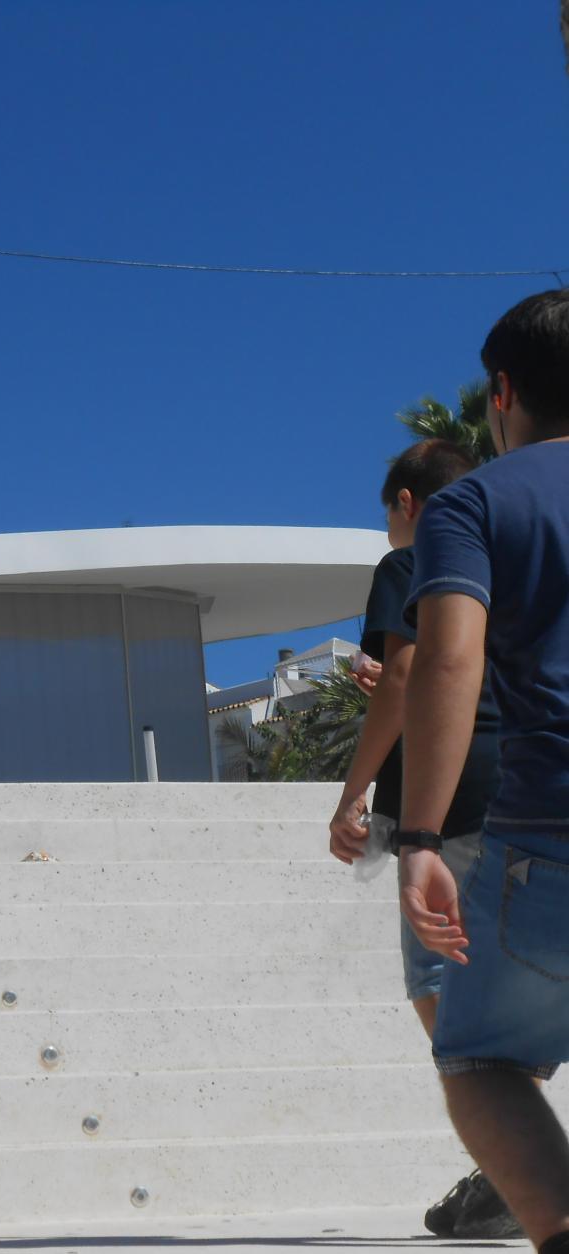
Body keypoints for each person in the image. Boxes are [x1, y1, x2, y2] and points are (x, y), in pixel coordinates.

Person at [399, 289, 569, 1254]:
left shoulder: (471, 503)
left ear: (502, 392)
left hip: (547, 828)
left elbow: (450, 661)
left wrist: (420, 836)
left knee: (481, 1060)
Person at [327, 439, 512, 1237]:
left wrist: (350, 792)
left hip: (450, 793)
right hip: (522, 778)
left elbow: (410, 679)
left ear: (408, 502)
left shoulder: (420, 553)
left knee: (437, 980)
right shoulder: (510, 549)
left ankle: (513, 1157)